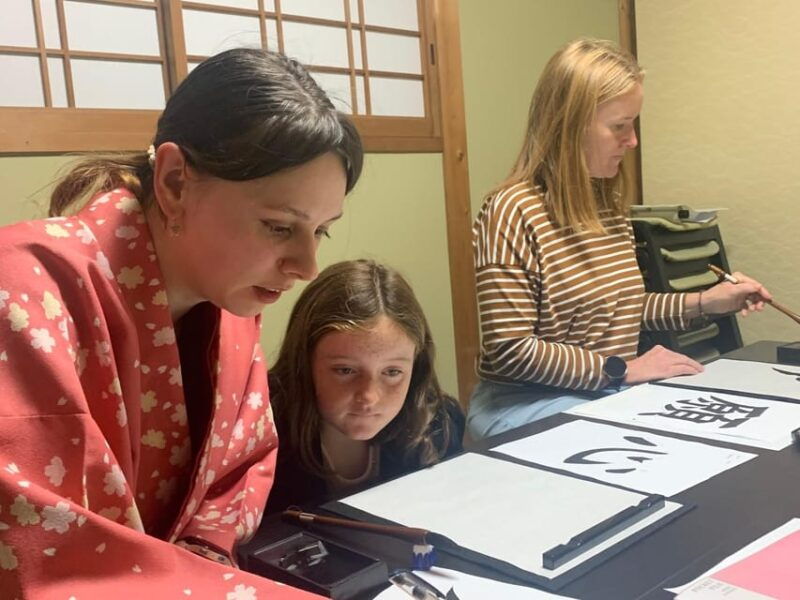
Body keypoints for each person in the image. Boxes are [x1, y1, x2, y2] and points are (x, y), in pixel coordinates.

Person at [0, 48, 362, 598]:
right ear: (173, 181)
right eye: (277, 226)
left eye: (322, 231)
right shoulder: (23, 290)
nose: (307, 267)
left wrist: (201, 564)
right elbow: (44, 549)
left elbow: (239, 470)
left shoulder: (233, 306)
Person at [468, 38, 771, 439]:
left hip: (601, 390)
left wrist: (706, 302)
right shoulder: (512, 210)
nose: (632, 142)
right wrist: (624, 369)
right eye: (619, 127)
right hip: (524, 402)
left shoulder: (605, 204)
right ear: (569, 126)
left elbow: (618, 308)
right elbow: (511, 350)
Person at [265, 260, 464, 514]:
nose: (369, 396)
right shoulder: (262, 432)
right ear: (303, 361)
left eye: (392, 372)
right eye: (345, 370)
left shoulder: (439, 424)